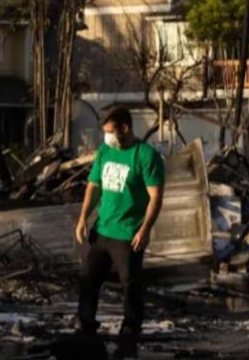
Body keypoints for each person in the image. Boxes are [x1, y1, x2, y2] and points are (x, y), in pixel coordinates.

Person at [75, 107, 165, 359]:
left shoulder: (145, 156)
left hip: (128, 235)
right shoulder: (105, 151)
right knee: (88, 280)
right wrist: (83, 217)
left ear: (125, 128)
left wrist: (145, 229)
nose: (107, 138)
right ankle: (86, 328)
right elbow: (94, 186)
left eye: (110, 132)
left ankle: (129, 336)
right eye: (104, 133)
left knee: (131, 286)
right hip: (102, 229)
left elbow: (155, 197)